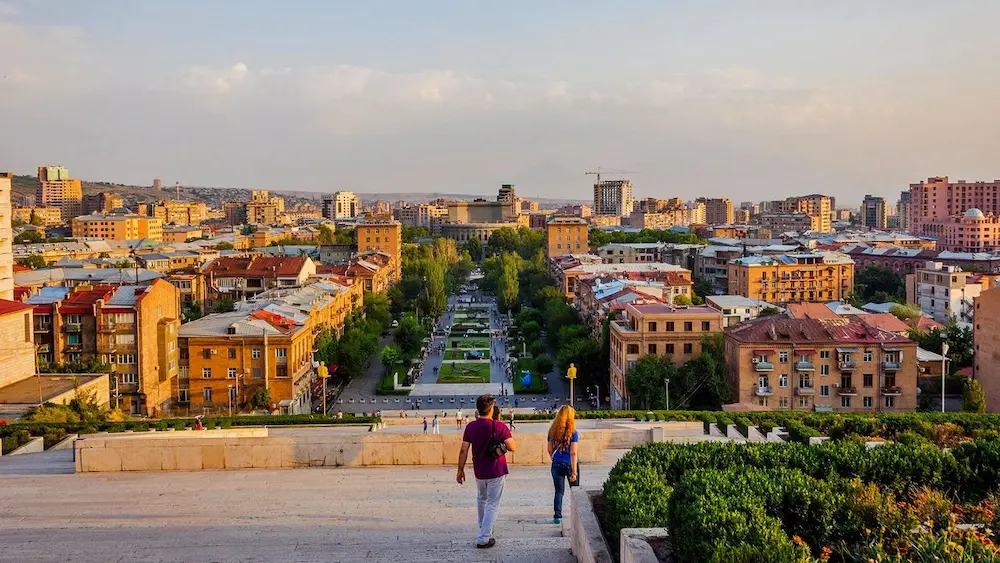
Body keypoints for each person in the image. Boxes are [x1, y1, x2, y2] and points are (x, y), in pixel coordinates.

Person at [457, 395, 517, 549]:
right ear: (491, 409)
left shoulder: (471, 427)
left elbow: (464, 449)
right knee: (492, 504)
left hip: (479, 471)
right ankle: (484, 537)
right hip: (496, 470)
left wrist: (460, 470)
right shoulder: (499, 426)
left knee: (481, 499)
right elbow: (512, 447)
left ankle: (483, 528)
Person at [547, 406, 579, 525]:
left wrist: (554, 459)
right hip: (570, 465)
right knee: (575, 491)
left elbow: (549, 450)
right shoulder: (574, 433)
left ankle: (557, 516)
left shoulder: (552, 432)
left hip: (557, 465)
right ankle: (577, 515)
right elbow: (573, 453)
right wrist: (574, 471)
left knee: (559, 491)